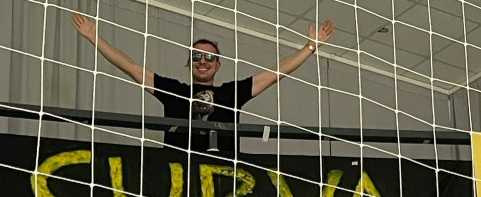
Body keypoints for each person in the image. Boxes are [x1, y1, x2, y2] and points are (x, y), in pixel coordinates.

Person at [71, 13, 334, 151]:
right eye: (196, 56)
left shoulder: (231, 94)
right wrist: (94, 38)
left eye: (209, 57)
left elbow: (275, 73)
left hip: (221, 175)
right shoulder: (174, 91)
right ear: (189, 63)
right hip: (177, 174)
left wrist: (311, 46)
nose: (203, 61)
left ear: (218, 65)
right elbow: (130, 67)